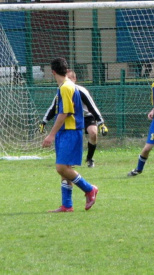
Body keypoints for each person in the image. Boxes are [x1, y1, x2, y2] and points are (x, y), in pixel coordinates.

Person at [42, 58, 98, 213]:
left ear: (53, 72)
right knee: (65, 168)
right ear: (66, 71)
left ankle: (89, 189)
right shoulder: (66, 86)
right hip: (66, 132)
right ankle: (67, 205)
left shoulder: (66, 87)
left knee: (61, 168)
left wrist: (51, 135)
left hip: (70, 131)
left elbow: (64, 112)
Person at [39, 69, 108, 168]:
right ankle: (69, 161)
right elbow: (53, 108)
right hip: (73, 118)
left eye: (70, 78)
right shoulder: (63, 90)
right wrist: (44, 122)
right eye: (67, 78)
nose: (68, 80)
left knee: (93, 133)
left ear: (75, 79)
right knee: (70, 137)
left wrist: (101, 123)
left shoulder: (80, 91)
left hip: (86, 116)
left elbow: (92, 107)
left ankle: (89, 158)